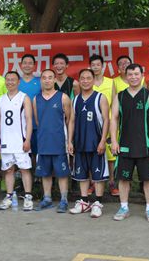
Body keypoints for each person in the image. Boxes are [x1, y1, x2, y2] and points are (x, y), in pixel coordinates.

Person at [110, 64, 149, 222]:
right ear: (126, 76)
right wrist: (114, 141)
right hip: (124, 145)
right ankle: (124, 207)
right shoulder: (120, 96)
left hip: (145, 145)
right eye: (130, 74)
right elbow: (114, 119)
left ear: (142, 75)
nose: (133, 77)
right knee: (123, 179)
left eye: (136, 74)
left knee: (148, 179)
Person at [68, 69, 110, 218]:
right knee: (82, 174)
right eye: (82, 78)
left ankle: (98, 203)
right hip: (80, 143)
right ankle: (84, 202)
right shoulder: (75, 99)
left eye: (88, 78)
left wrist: (103, 140)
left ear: (93, 80)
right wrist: (69, 141)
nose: (85, 81)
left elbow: (106, 120)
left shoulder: (100, 98)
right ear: (79, 81)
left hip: (96, 143)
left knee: (98, 175)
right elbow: (72, 121)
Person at [0, 71, 34, 211]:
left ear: (18, 82)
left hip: (20, 141)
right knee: (8, 170)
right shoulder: (1, 99)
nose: (10, 82)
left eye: (13, 80)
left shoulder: (24, 98)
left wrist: (27, 139)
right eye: (8, 80)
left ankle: (28, 197)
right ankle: (9, 196)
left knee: (24, 169)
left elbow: (29, 120)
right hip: (6, 141)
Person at [34, 69, 72, 213]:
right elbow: (38, 120)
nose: (47, 80)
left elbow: (69, 120)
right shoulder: (36, 99)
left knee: (62, 173)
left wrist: (69, 141)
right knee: (45, 173)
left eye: (50, 77)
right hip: (43, 142)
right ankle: (47, 199)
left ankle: (64, 200)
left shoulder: (63, 97)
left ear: (55, 80)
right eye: (44, 78)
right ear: (41, 80)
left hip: (59, 142)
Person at [89, 54, 118, 196]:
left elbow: (114, 103)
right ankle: (93, 183)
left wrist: (114, 122)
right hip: (91, 123)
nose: (95, 67)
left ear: (102, 66)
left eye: (98, 65)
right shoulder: (88, 82)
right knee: (92, 153)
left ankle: (112, 183)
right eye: (93, 65)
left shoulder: (111, 82)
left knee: (111, 156)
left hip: (109, 122)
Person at [18, 54, 41, 155]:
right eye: (25, 63)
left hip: (36, 124)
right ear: (21, 65)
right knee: (22, 153)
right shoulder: (16, 82)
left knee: (37, 153)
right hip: (20, 125)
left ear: (34, 66)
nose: (27, 65)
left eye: (30, 63)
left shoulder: (40, 81)